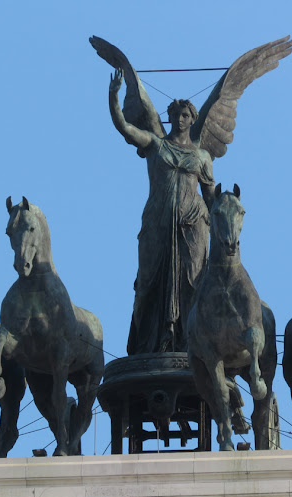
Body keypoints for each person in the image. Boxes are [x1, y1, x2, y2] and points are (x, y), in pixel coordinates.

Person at [109, 68, 215, 354]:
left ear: (193, 119)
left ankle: (190, 343)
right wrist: (113, 95)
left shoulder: (202, 156)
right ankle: (145, 346)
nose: (180, 120)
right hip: (157, 222)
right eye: (176, 115)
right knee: (147, 283)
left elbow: (211, 195)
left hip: (193, 225)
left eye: (186, 115)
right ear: (169, 117)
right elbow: (124, 127)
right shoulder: (156, 145)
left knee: (193, 283)